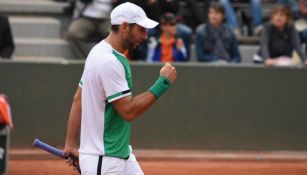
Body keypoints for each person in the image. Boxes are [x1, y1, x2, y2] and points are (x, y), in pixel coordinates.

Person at [64, 2, 177, 175]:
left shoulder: (98, 51)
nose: (145, 36)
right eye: (141, 29)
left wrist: (70, 144)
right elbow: (128, 111)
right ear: (125, 27)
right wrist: (162, 83)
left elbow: (78, 98)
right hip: (106, 161)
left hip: (120, 156)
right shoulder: (110, 62)